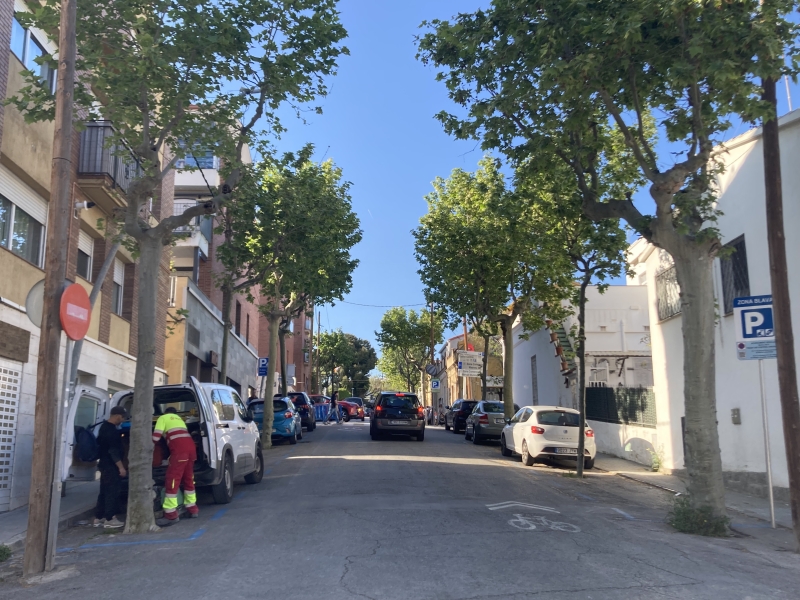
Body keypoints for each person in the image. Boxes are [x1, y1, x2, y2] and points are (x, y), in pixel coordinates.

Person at [152, 407, 198, 525]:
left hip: (179, 452)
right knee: (189, 479)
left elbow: (155, 438)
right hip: (191, 450)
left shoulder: (162, 418)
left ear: (165, 413)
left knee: (172, 480)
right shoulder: (180, 419)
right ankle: (192, 509)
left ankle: (171, 514)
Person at [93, 406, 127, 528]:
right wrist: (121, 468)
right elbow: (113, 451)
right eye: (123, 417)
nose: (123, 420)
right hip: (111, 465)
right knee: (112, 491)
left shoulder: (103, 427)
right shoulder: (111, 431)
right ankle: (110, 518)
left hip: (103, 464)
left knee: (103, 491)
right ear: (118, 416)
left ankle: (99, 517)